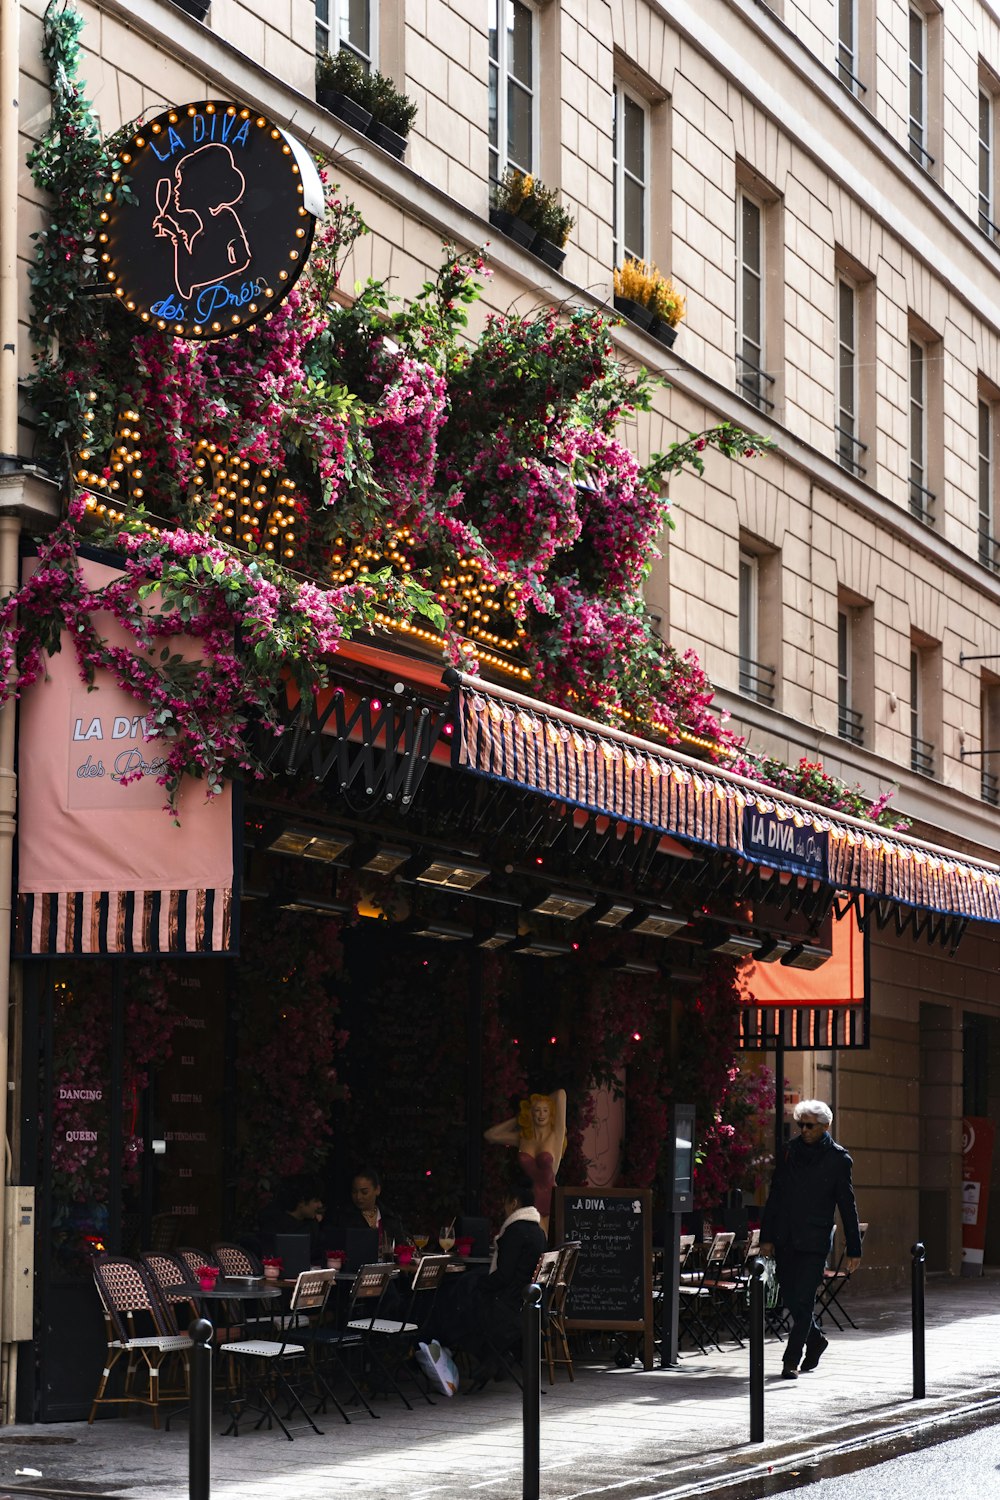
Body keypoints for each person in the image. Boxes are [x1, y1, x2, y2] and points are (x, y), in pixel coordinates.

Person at [760, 1099, 862, 1379]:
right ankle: (815, 1340)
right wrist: (766, 1237)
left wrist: (854, 1249)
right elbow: (775, 1197)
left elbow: (847, 1205)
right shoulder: (789, 1153)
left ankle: (790, 1360)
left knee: (804, 1299)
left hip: (815, 1241)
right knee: (793, 1299)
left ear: (826, 1126)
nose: (803, 1130)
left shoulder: (838, 1159)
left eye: (809, 1125)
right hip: (785, 1237)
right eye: (800, 1125)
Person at [484, 1087, 567, 1230]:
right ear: (531, 1113)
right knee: (529, 1245)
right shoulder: (524, 1138)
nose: (541, 1114)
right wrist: (520, 1118)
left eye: (545, 1110)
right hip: (528, 1201)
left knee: (546, 1246)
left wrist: (541, 1101)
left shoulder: (555, 1136)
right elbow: (491, 1135)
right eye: (537, 1110)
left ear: (551, 1113)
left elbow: (561, 1095)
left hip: (550, 1200)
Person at [334, 1167, 408, 1254]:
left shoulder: (390, 1218)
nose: (358, 1197)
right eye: (354, 1192)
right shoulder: (344, 1218)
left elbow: (402, 1249)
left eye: (364, 1192)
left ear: (377, 1190)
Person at [258, 1176, 325, 1260]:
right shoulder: (272, 1226)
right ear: (301, 1202)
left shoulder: (312, 1224)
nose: (320, 1205)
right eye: (316, 1201)